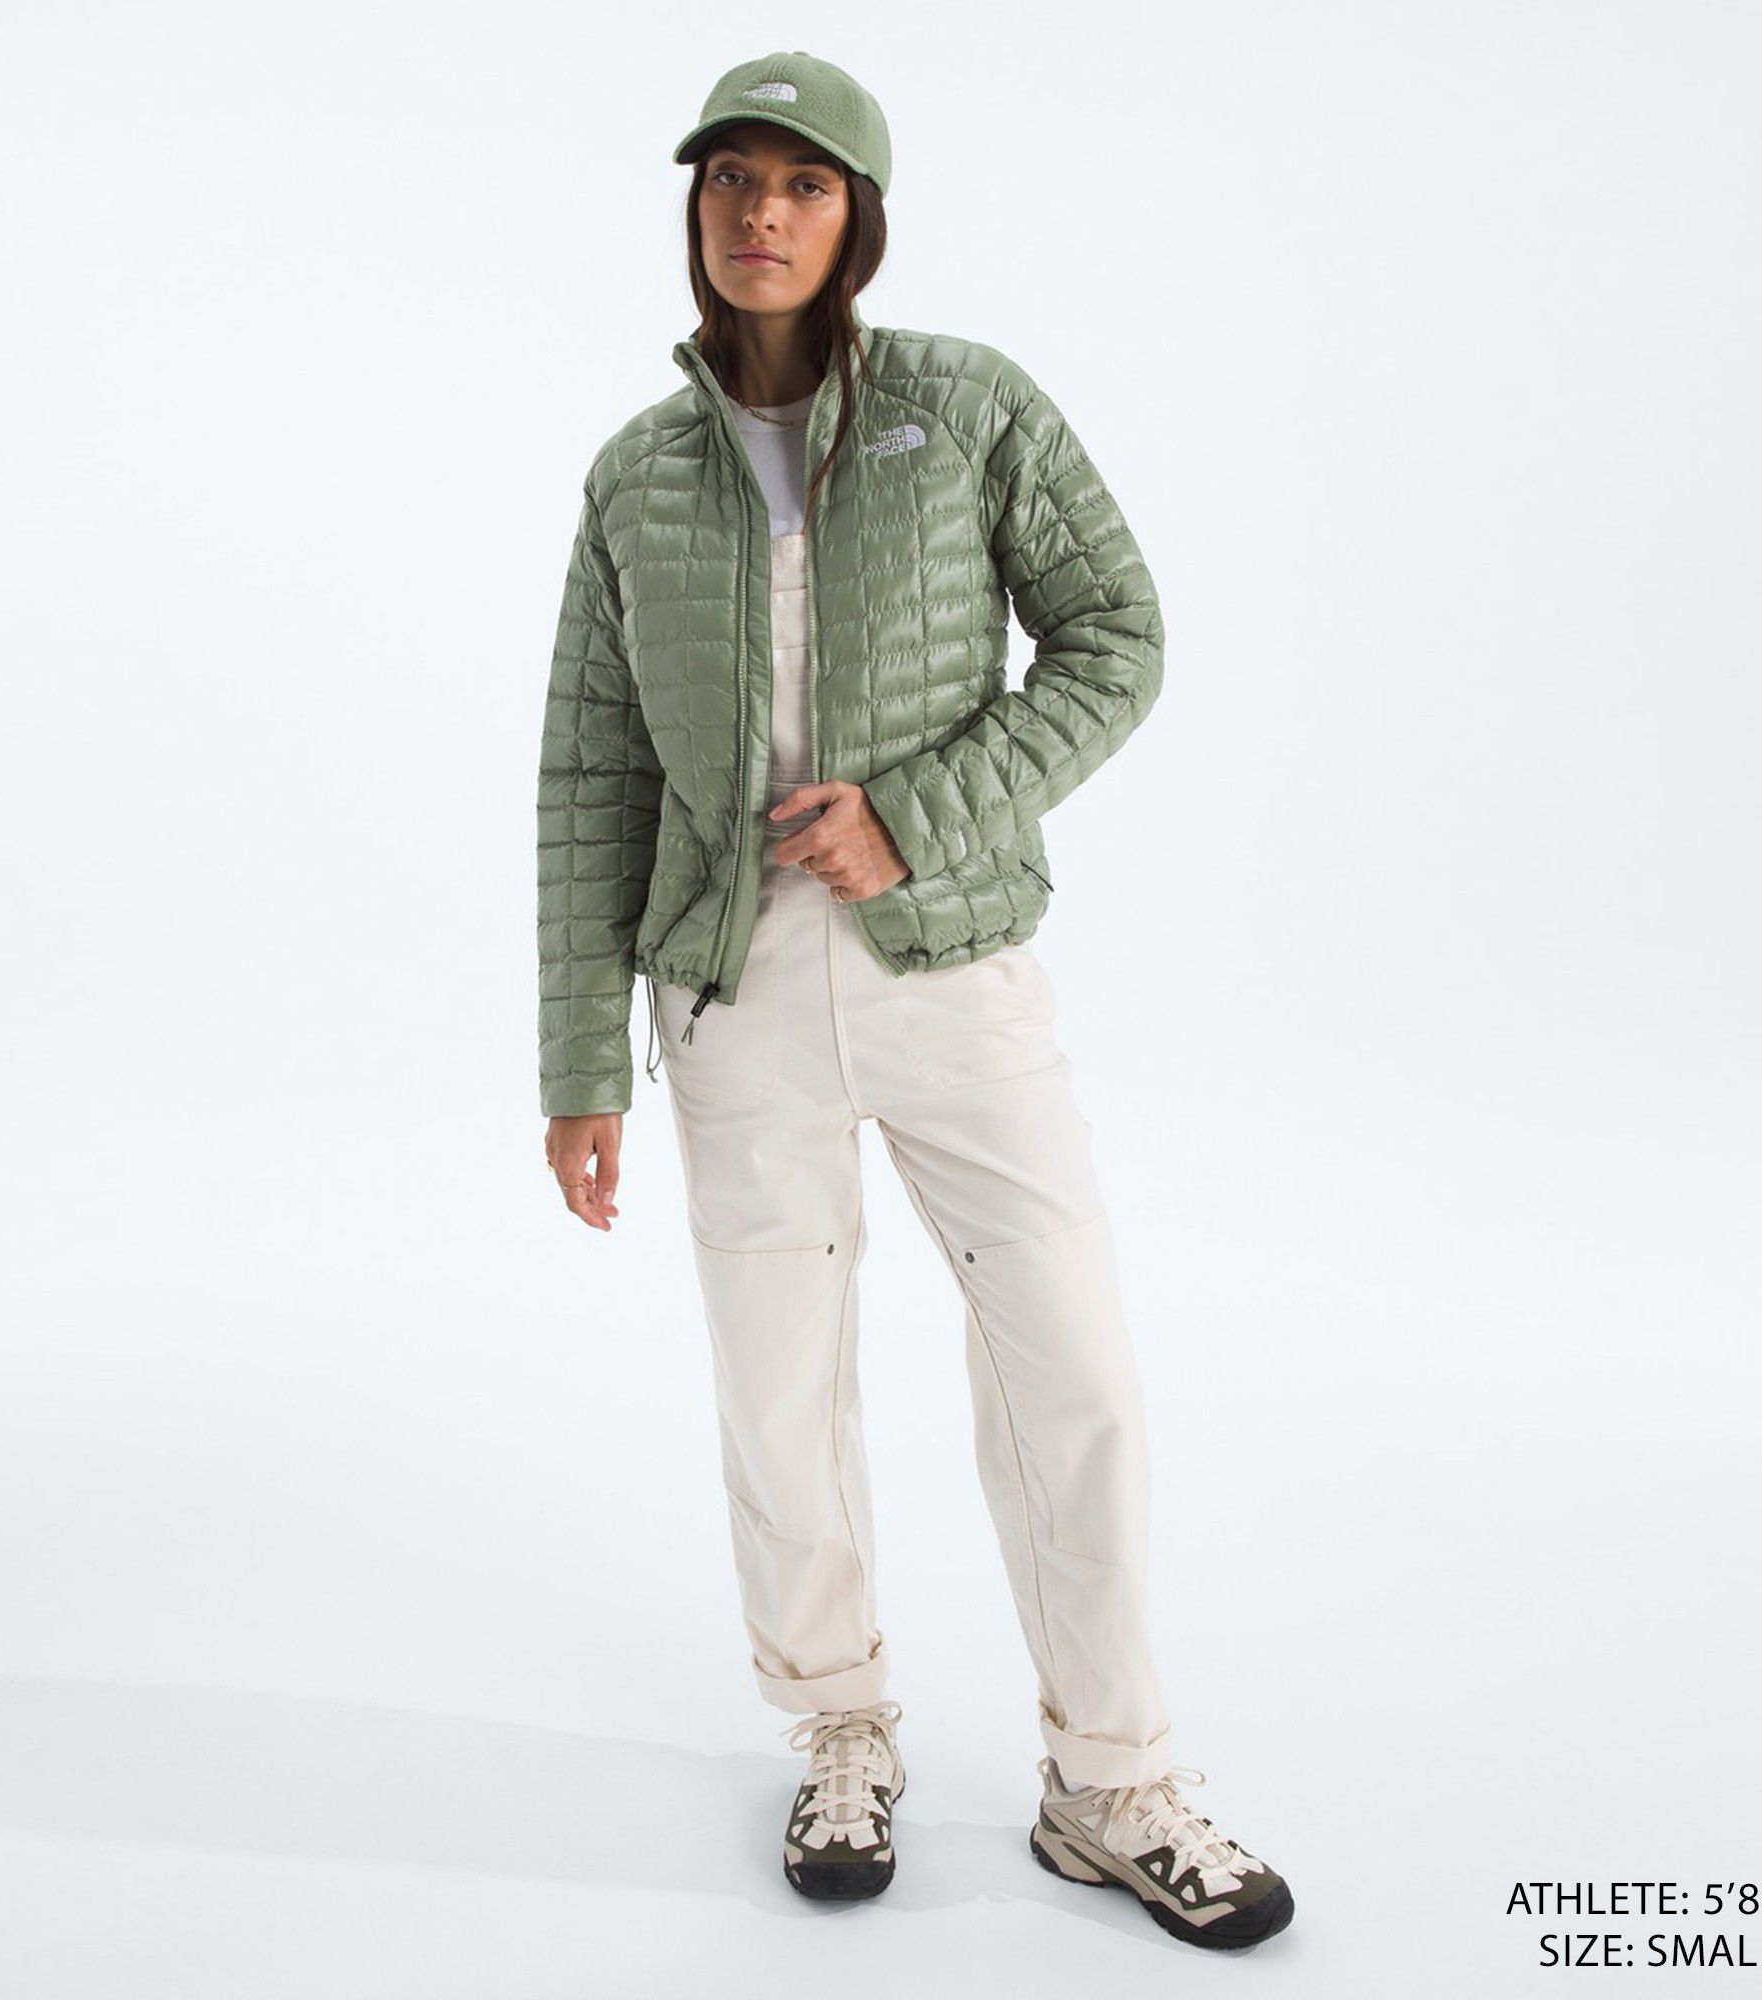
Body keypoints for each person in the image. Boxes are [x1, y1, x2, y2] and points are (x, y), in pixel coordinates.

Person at [535, 50, 1292, 1950]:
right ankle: (839, 1731)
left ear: (857, 216)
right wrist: (577, 1059)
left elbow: (1118, 639)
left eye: (802, 182)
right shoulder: (637, 471)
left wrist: (916, 813)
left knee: (1073, 1367)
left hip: (954, 965)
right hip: (729, 996)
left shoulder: (968, 408)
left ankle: (1111, 1777)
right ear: (695, 210)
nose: (761, 212)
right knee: (779, 1392)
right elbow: (592, 770)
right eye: (731, 178)